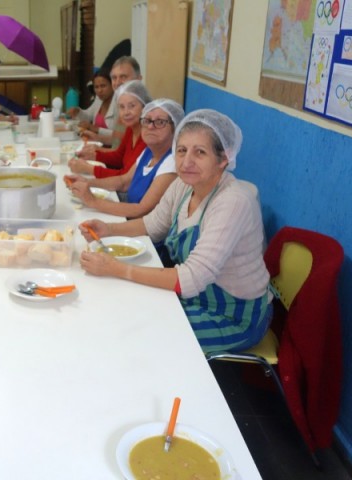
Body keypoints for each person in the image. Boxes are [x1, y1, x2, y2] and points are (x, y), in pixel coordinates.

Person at [79, 110, 272, 353]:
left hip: (234, 315)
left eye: (199, 152)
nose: (186, 161)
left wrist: (115, 268)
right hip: (195, 298)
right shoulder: (183, 185)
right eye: (181, 151)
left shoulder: (233, 202)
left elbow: (190, 279)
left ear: (223, 159)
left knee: (138, 334)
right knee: (126, 311)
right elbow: (152, 225)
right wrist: (109, 229)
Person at [65, 99, 183, 219]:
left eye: (160, 122)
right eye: (147, 120)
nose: (150, 126)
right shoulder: (148, 151)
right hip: (130, 218)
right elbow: (123, 182)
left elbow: (141, 210)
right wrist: (86, 182)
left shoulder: (172, 163)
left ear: (175, 128)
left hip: (145, 233)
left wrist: (92, 201)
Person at [69, 80, 152, 180]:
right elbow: (119, 157)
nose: (126, 112)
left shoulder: (148, 137)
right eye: (121, 107)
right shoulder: (131, 129)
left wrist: (89, 168)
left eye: (132, 106)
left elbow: (125, 178)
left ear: (145, 106)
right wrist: (93, 155)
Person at [81, 56, 142, 149]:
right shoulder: (122, 104)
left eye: (123, 77)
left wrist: (98, 151)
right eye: (114, 78)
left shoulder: (143, 109)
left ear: (138, 79)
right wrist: (97, 138)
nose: (117, 83)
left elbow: (122, 155)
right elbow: (118, 140)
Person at [66, 70, 115, 146]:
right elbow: (88, 116)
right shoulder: (99, 99)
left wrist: (95, 128)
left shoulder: (119, 104)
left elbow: (120, 135)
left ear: (112, 85)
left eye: (103, 86)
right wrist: (78, 111)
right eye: (96, 87)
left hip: (111, 148)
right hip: (96, 144)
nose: (99, 90)